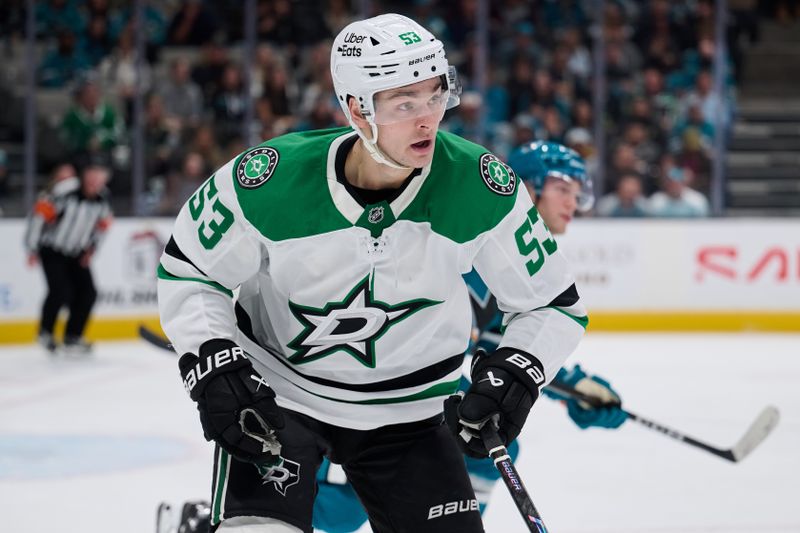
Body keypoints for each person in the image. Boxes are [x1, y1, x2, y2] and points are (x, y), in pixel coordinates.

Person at [157, 14, 586, 533]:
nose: (428, 119)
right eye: (405, 103)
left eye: (435, 95)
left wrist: (520, 369)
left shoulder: (480, 185)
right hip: (280, 399)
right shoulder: (270, 179)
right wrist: (212, 360)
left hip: (412, 412)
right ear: (356, 108)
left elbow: (551, 303)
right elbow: (192, 270)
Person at [310, 142, 627, 533]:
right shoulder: (474, 241)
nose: (573, 204)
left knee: (474, 454)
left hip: (397, 385)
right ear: (528, 188)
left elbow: (498, 345)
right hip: (353, 375)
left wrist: (574, 387)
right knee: (342, 508)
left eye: (579, 194)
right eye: (564, 189)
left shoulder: (517, 260)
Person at [24, 164, 113, 354]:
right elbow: (40, 215)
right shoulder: (66, 191)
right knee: (60, 291)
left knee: (88, 292)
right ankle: (45, 332)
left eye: (100, 176)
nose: (95, 180)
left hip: (76, 253)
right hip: (52, 249)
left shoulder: (103, 198)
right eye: (91, 174)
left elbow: (104, 225)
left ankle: (72, 336)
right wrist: (31, 248)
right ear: (84, 175)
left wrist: (91, 249)